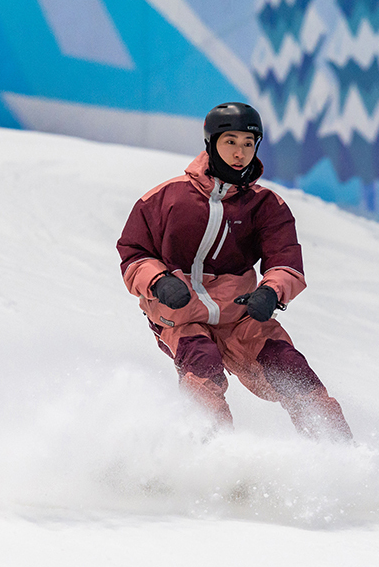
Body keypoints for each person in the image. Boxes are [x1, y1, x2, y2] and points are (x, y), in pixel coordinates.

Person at [117, 102, 352, 442]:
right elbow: (133, 252)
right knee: (203, 366)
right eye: (230, 142)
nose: (240, 152)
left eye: (248, 143)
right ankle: (214, 458)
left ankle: (342, 458)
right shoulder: (167, 198)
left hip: (238, 314)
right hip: (180, 314)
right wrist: (159, 281)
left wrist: (270, 291)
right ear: (211, 143)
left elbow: (285, 259)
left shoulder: (266, 205)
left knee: (291, 370)